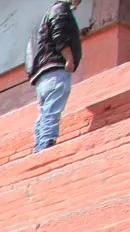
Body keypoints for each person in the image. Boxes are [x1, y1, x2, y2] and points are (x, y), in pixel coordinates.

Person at [29, 0, 82, 152]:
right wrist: (69, 59)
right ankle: (46, 143)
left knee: (45, 110)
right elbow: (60, 36)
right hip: (55, 69)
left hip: (42, 75)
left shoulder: (43, 20)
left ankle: (40, 145)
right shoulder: (60, 10)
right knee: (52, 108)